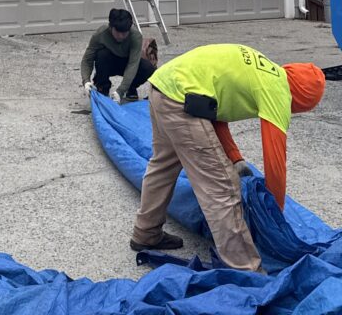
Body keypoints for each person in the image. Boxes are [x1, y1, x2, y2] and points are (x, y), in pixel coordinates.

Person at [130, 43, 326, 271]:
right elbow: (275, 163)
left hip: (164, 86)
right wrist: (274, 215)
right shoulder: (279, 91)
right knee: (221, 185)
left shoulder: (265, 70)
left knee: (163, 165)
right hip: (180, 98)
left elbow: (213, 108)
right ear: (302, 100)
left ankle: (146, 232)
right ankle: (245, 268)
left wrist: (235, 157)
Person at [80, 8, 155, 102]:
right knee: (101, 54)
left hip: (127, 63)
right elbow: (87, 59)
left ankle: (131, 87)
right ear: (111, 27)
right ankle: (102, 87)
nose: (120, 36)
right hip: (108, 62)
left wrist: (120, 91)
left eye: (124, 33)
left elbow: (133, 64)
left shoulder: (135, 36)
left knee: (148, 68)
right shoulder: (100, 34)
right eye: (118, 32)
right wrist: (86, 81)